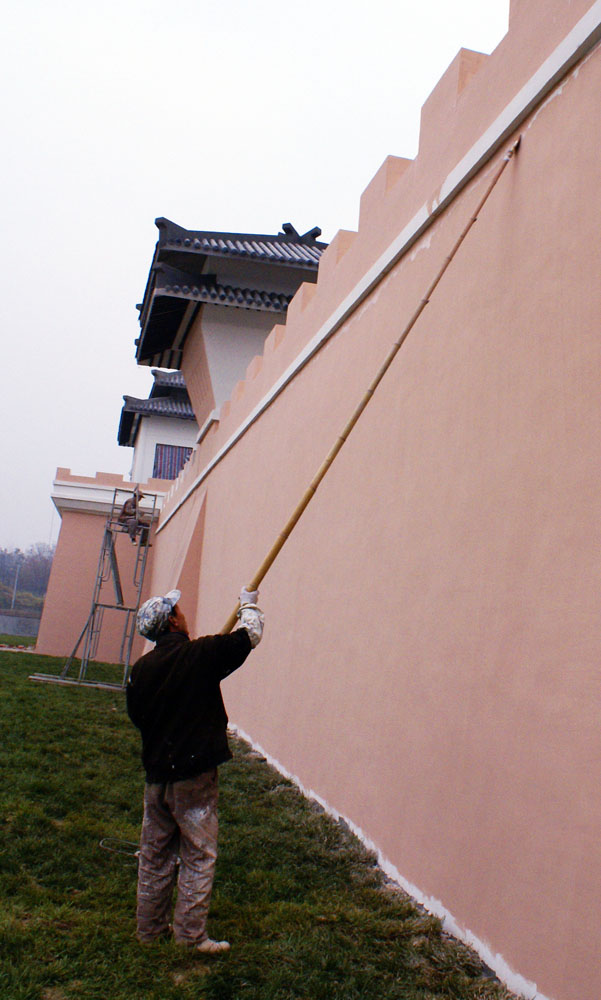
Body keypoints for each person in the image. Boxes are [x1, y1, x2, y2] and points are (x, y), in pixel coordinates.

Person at [126, 586, 264, 954]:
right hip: (194, 778)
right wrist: (249, 602)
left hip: (156, 777)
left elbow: (138, 718)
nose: (183, 613)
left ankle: (149, 930)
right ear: (172, 621)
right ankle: (190, 937)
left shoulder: (140, 671)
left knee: (154, 855)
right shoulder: (199, 655)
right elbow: (249, 635)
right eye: (179, 609)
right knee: (198, 854)